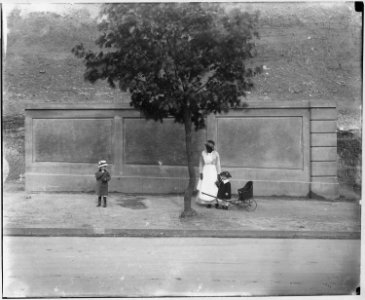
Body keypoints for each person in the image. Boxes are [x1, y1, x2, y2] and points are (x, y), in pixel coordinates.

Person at [196, 140, 221, 207]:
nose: (208, 148)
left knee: (213, 186)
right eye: (207, 147)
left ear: (212, 147)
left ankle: (214, 201)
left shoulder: (216, 154)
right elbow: (201, 163)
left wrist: (218, 174)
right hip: (206, 171)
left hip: (213, 171)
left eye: (210, 147)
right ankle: (207, 202)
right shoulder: (203, 153)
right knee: (206, 186)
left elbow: (218, 164)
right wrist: (201, 172)